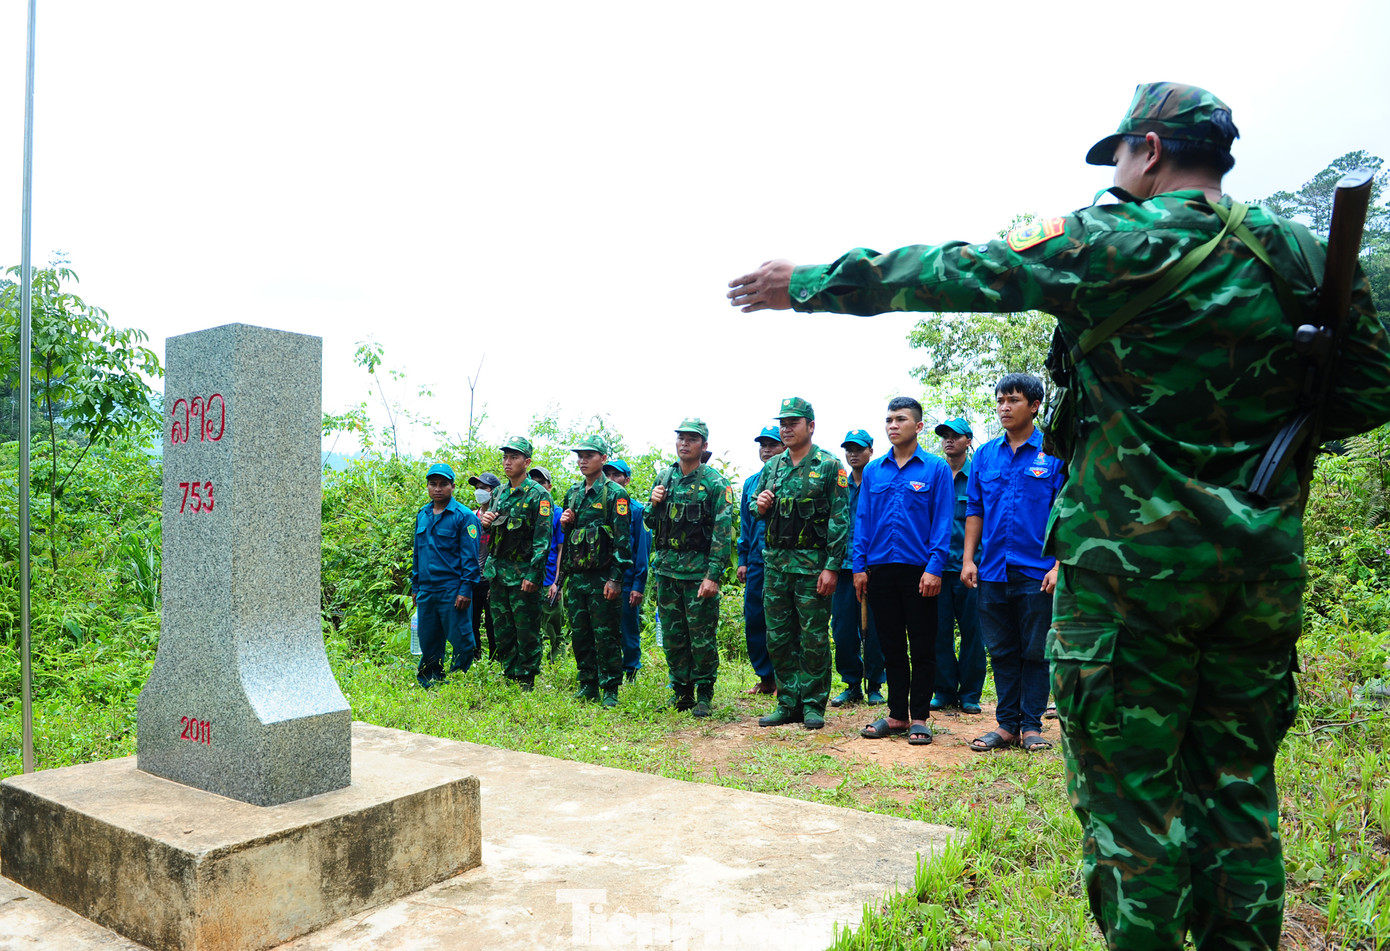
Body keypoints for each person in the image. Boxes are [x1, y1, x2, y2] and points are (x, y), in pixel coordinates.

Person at [726, 80, 1390, 951]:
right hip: (1256, 575)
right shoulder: (1302, 255)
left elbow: (955, 270)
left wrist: (806, 282)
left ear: (1148, 151)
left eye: (1120, 154)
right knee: (1237, 792)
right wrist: (1243, 441)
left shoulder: (1113, 242)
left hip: (1128, 585)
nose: (1117, 171)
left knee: (1131, 801)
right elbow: (1370, 389)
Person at [959, 374, 1066, 754]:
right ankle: (1006, 726)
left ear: (1034, 406)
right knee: (1002, 649)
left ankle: (1032, 726)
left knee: (1035, 650)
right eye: (1000, 400)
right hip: (991, 570)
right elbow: (975, 509)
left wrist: (1058, 565)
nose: (1004, 406)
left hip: (1037, 571)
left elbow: (1066, 513)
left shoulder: (1054, 453)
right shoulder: (985, 455)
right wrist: (969, 558)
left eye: (1013, 400)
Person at [851, 399, 952, 746]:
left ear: (918, 426)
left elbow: (942, 521)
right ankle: (896, 715)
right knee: (891, 645)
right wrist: (859, 566)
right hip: (880, 569)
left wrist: (935, 567)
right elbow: (862, 520)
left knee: (923, 645)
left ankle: (920, 717)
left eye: (901, 419)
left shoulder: (936, 469)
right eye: (889, 419)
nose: (893, 425)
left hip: (919, 571)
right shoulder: (875, 471)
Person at [752, 397, 849, 731]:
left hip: (812, 568)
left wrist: (832, 567)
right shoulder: (773, 466)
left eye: (794, 422)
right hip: (776, 566)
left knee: (813, 638)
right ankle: (787, 702)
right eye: (783, 423)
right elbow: (756, 508)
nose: (786, 428)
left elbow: (840, 519)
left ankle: (812, 704)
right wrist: (760, 504)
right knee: (778, 637)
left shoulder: (828, 465)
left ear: (810, 426)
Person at [646, 419, 734, 717]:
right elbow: (649, 521)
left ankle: (704, 693)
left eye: (692, 439)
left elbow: (723, 535)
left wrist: (713, 576)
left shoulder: (714, 483)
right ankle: (681, 691)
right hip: (667, 572)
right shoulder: (664, 477)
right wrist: (653, 504)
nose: (684, 443)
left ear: (704, 446)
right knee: (673, 636)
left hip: (698, 574)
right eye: (681, 438)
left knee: (701, 637)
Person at [560, 434, 633, 707]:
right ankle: (588, 684)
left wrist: (616, 579)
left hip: (603, 577)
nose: (582, 460)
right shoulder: (574, 493)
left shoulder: (615, 494)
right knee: (580, 633)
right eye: (580, 456)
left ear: (602, 459)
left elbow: (622, 540)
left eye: (589, 455)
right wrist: (566, 523)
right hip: (578, 577)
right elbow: (569, 539)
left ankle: (610, 688)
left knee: (606, 635)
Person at [479, 437, 553, 690]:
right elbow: (492, 532)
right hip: (499, 573)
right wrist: (486, 521)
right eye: (505, 457)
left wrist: (533, 575)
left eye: (514, 457)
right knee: (502, 627)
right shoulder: (498, 493)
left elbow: (542, 541)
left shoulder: (538, 495)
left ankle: (527, 678)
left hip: (523, 573)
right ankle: (509, 672)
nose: (507, 462)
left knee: (526, 628)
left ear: (527, 462)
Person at [931, 418, 986, 715]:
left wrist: (978, 560)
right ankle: (944, 690)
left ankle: (970, 693)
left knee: (972, 632)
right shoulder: (934, 474)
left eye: (955, 436)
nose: (949, 440)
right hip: (937, 568)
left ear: (968, 440)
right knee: (938, 632)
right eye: (945, 436)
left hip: (971, 568)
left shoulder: (977, 475)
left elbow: (985, 520)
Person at [410, 463, 482, 688]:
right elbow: (417, 553)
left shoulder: (464, 516)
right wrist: (416, 586)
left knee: (461, 637)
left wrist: (466, 589)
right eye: (433, 484)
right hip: (427, 589)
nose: (438, 489)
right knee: (428, 638)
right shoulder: (422, 514)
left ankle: (460, 677)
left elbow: (470, 557)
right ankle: (430, 679)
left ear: (452, 486)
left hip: (452, 588)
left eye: (443, 484)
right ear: (428, 487)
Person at [830, 428, 884, 706]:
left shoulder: (879, 481)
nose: (853, 454)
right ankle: (852, 683)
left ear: (870, 451)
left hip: (873, 566)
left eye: (859, 449)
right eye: (849, 449)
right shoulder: (839, 485)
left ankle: (875, 684)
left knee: (875, 628)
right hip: (842, 567)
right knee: (842, 628)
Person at [736, 426, 783, 694]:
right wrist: (742, 559)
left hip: (781, 559)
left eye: (772, 444)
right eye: (762, 445)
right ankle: (766, 678)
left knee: (781, 620)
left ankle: (783, 677)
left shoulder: (789, 477)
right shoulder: (751, 483)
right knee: (755, 618)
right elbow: (745, 524)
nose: (766, 449)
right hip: (756, 559)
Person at [603, 458, 651, 681]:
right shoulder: (601, 506)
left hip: (627, 581)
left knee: (628, 630)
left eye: (617, 475)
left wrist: (638, 586)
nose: (611, 480)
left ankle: (631, 670)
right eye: (608, 475)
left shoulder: (637, 510)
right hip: (602, 580)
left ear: (627, 480)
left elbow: (641, 550)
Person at [529, 465, 568, 661]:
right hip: (528, 578)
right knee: (530, 626)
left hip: (549, 578)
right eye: (533, 481)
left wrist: (557, 583)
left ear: (549, 486)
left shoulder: (558, 513)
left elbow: (561, 549)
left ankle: (557, 665)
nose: (537, 485)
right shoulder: (524, 510)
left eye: (541, 482)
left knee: (553, 626)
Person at [467, 471, 502, 663]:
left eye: (484, 488)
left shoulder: (502, 517)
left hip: (492, 580)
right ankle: (474, 658)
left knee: (493, 623)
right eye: (477, 488)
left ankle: (495, 660)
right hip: (473, 579)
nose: (479, 492)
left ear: (494, 491)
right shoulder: (471, 516)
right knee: (471, 622)